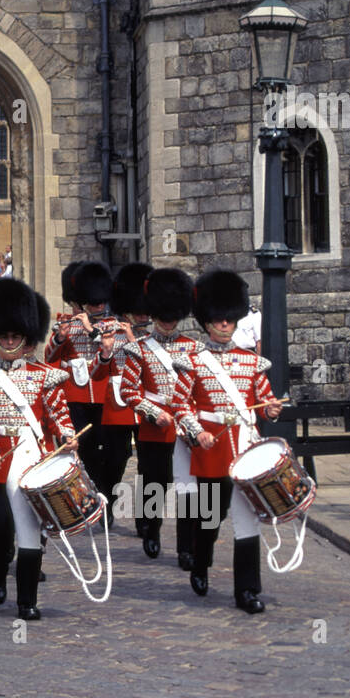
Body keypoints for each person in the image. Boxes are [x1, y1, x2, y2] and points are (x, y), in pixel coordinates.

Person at [171, 270, 282, 613]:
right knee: (210, 518)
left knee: (247, 520)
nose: (224, 325)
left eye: (229, 320)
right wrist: (196, 431)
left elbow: (262, 399)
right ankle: (201, 563)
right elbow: (180, 404)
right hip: (211, 447)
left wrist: (273, 409)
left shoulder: (252, 362)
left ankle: (247, 591)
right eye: (217, 320)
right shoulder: (192, 361)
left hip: (244, 446)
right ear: (206, 322)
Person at [0, 279, 73, 618]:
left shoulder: (45, 376)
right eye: (5, 337)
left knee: (29, 528)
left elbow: (58, 415)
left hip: (30, 456)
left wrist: (68, 435)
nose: (10, 343)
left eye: (16, 337)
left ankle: (27, 600)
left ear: (26, 339)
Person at [119, 268, 199, 563]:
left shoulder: (194, 348)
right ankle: (151, 531)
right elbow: (129, 391)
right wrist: (153, 412)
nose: (168, 323)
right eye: (164, 317)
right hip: (155, 428)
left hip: (185, 426)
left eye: (172, 317)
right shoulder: (138, 349)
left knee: (188, 489)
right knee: (155, 483)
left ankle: (187, 548)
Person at [44, 261, 112, 497]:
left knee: (109, 449)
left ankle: (106, 488)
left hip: (103, 392)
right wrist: (60, 339)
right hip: (75, 393)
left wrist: (92, 330)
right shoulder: (67, 324)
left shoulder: (110, 325)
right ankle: (96, 489)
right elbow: (50, 356)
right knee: (87, 447)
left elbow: (107, 350)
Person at [90, 262, 153, 510]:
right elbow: (96, 374)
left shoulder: (154, 336)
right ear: (127, 312)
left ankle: (147, 519)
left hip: (148, 406)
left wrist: (130, 339)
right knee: (115, 460)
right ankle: (109, 504)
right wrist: (105, 353)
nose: (143, 316)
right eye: (138, 312)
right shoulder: (111, 331)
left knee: (149, 465)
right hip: (119, 407)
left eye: (145, 312)